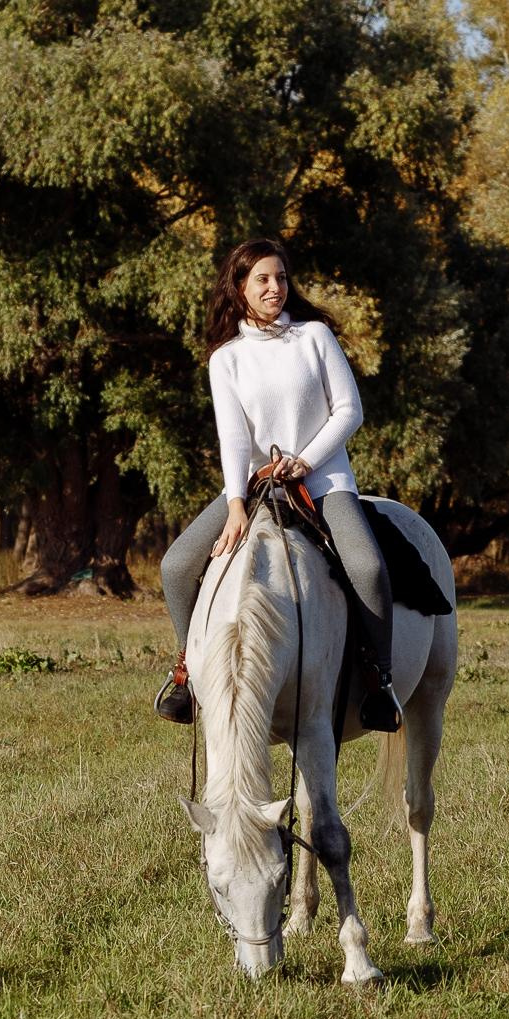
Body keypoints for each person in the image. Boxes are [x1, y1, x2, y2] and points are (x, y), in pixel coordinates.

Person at [154, 238, 401, 734]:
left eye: (281, 278)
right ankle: (187, 673)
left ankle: (379, 681)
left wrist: (305, 461)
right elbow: (233, 437)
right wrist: (237, 503)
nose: (275, 287)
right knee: (176, 565)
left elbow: (349, 411)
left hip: (325, 482)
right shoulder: (226, 359)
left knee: (369, 568)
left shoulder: (315, 337)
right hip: (256, 485)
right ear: (239, 287)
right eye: (263, 279)